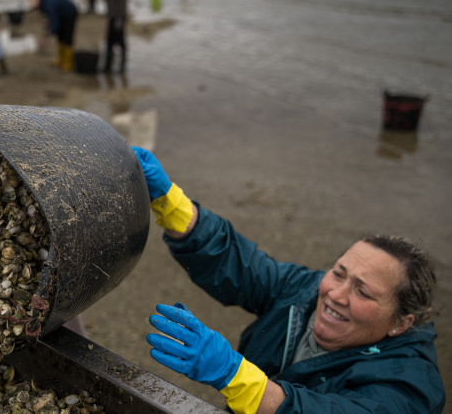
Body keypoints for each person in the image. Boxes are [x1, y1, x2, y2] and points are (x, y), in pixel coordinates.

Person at [133, 146, 445, 413]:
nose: (336, 294)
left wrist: (235, 375)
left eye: (363, 292)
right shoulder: (305, 289)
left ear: (401, 323)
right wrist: (171, 204)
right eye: (338, 273)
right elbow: (243, 268)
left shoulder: (412, 386)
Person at [28, 0, 78, 73]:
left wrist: (46, 39)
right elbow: (51, 16)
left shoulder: (49, 4)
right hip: (60, 13)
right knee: (60, 36)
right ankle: (61, 59)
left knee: (67, 37)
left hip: (70, 13)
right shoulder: (42, 1)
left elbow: (55, 24)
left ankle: (68, 63)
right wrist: (49, 21)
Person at [103, 0, 126, 73]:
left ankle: (122, 67)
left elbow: (121, 1)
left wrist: (119, 18)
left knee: (120, 41)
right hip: (112, 15)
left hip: (118, 16)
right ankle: (108, 66)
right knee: (109, 40)